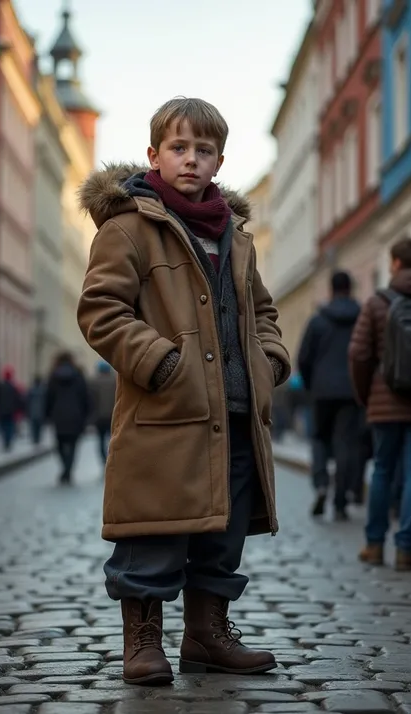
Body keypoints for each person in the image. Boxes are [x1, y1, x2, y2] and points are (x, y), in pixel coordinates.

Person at [77, 97, 291, 686]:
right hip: (165, 411)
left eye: (203, 150)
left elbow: (264, 311)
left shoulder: (237, 238)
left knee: (221, 534)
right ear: (154, 155)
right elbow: (101, 311)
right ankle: (142, 641)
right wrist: (162, 363)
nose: (191, 159)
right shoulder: (128, 228)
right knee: (154, 529)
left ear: (219, 161)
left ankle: (206, 632)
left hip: (239, 409)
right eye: (178, 148)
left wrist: (269, 360)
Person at [350, 237, 411, 571]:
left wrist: (366, 395)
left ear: (395, 264)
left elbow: (359, 354)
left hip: (383, 400)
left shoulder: (378, 302)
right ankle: (407, 548)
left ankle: (375, 545)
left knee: (382, 470)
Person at [297, 271, 361, 520]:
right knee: (346, 443)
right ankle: (341, 499)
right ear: (350, 288)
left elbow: (303, 358)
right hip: (351, 390)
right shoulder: (360, 318)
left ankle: (322, 484)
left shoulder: (318, 321)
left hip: (322, 391)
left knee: (319, 439)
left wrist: (313, 384)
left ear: (331, 289)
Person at [45, 351, 90, 485]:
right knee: (73, 445)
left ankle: (65, 468)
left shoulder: (53, 376)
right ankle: (68, 470)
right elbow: (85, 397)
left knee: (59, 444)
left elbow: (49, 397)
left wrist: (47, 414)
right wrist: (86, 414)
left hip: (58, 415)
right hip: (76, 415)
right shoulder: (79, 376)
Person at [89, 360, 116, 464]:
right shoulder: (115, 381)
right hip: (112, 416)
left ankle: (104, 460)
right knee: (113, 440)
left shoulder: (93, 382)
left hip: (98, 417)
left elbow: (90, 400)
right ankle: (112, 459)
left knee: (100, 440)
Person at [0, 366, 23, 451]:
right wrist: (18, 409)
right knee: (9, 427)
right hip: (11, 411)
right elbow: (18, 399)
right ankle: (8, 441)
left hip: (1, 410)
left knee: (3, 427)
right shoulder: (14, 387)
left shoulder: (0, 386)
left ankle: (5, 440)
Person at [27, 375, 46, 445]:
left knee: (34, 426)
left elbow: (27, 401)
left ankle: (35, 438)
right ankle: (37, 439)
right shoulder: (43, 391)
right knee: (39, 427)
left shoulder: (31, 390)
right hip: (40, 411)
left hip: (33, 411)